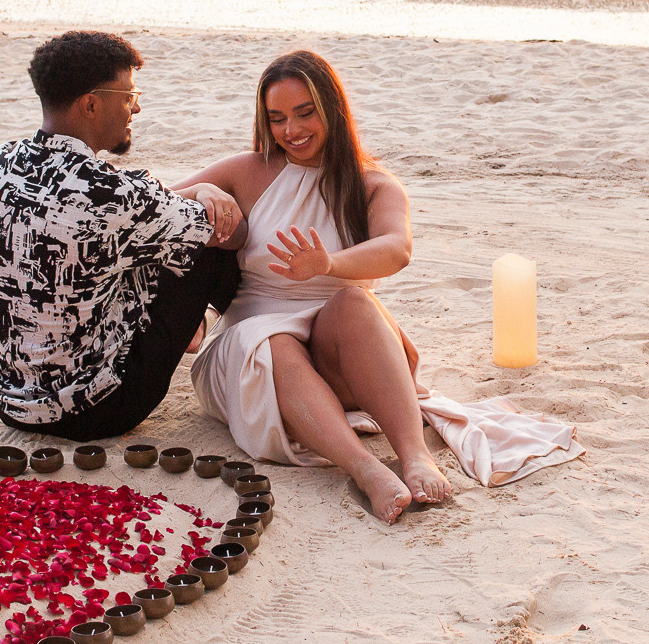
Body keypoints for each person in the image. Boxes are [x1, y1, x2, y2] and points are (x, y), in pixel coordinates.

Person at [174, 50, 457, 523]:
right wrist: (205, 191)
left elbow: (396, 247)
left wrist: (329, 263)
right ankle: (365, 468)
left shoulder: (373, 186)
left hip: (341, 357)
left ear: (333, 109)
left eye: (305, 113)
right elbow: (147, 204)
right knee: (274, 340)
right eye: (277, 117)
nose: (291, 130)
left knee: (354, 300)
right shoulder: (247, 170)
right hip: (251, 347)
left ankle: (413, 455)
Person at [0, 30, 245, 442]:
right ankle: (262, 355)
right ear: (91, 104)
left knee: (149, 239)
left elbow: (121, 217)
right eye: (128, 95)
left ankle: (205, 331)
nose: (136, 107)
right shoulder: (113, 196)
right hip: (96, 411)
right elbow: (233, 235)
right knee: (208, 249)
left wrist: (196, 192)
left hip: (8, 402)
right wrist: (214, 198)